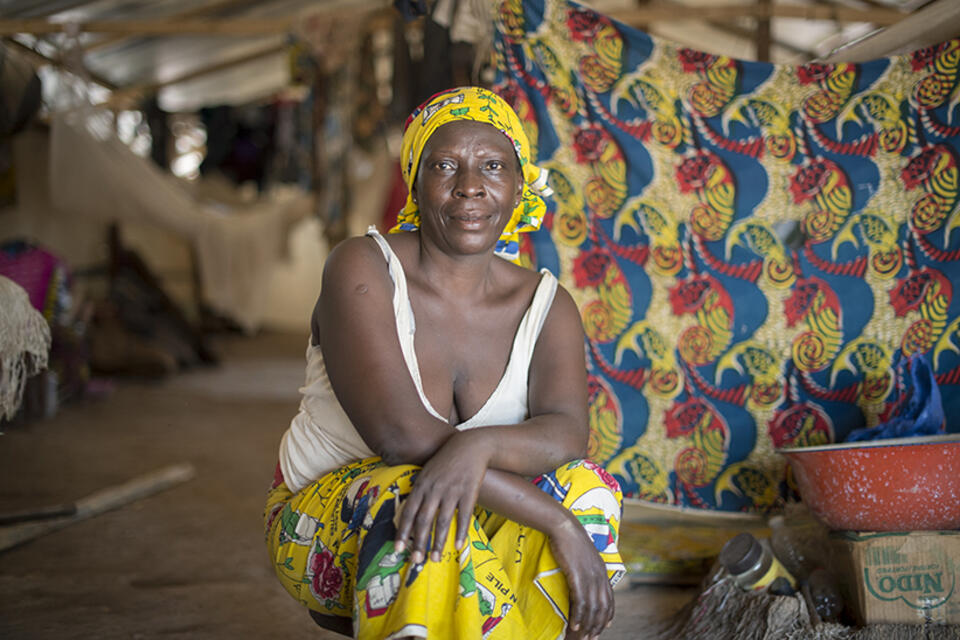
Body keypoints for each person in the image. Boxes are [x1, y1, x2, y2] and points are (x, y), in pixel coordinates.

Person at [264, 86, 624, 640]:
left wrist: (476, 446)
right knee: (420, 490)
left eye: (493, 166)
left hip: (469, 518)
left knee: (585, 487)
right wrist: (555, 521)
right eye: (446, 165)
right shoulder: (362, 268)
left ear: (518, 183)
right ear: (414, 179)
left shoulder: (547, 304)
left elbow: (567, 435)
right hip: (331, 523)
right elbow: (400, 437)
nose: (471, 186)